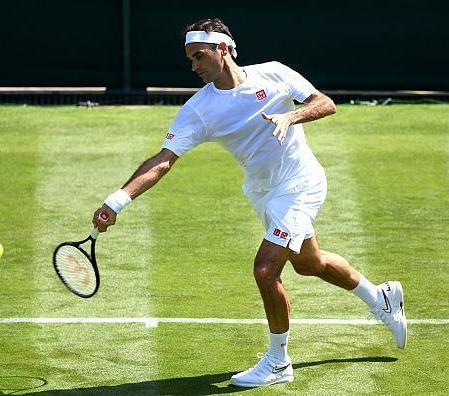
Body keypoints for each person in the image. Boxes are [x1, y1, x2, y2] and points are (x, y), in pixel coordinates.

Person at [93, 17, 406, 388]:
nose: (193, 66)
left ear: (222, 49)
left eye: (199, 56)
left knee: (265, 269)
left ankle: (278, 362)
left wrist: (291, 116)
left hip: (301, 183)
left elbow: (325, 103)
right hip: (263, 192)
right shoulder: (198, 109)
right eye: (190, 59)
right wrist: (117, 200)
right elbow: (163, 161)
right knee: (310, 263)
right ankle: (381, 298)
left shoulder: (274, 74)